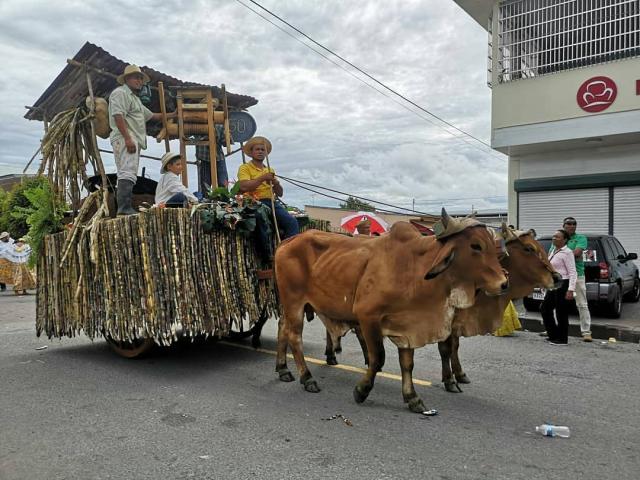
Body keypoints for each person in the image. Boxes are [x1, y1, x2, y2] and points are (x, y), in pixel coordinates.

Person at [109, 64, 175, 216]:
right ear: (127, 79)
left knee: (130, 172)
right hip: (125, 138)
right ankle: (123, 208)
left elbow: (152, 116)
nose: (139, 81)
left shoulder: (136, 100)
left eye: (140, 78)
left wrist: (172, 114)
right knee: (127, 172)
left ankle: (125, 207)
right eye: (136, 78)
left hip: (132, 139)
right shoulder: (120, 93)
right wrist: (127, 139)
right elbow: (118, 116)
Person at [237, 136, 299, 241]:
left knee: (292, 222)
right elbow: (244, 186)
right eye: (257, 149)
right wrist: (262, 178)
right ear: (251, 153)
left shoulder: (270, 170)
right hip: (254, 203)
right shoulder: (244, 168)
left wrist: (276, 183)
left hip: (271, 202)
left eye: (263, 150)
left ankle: (288, 252)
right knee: (260, 221)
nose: (260, 152)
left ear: (266, 153)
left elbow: (280, 193)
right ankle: (266, 254)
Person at [541, 229, 577, 345]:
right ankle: (553, 335)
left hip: (563, 283)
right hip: (553, 283)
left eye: (557, 237)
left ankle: (562, 339)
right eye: (553, 236)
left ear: (565, 240)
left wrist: (571, 289)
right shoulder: (554, 250)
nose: (554, 238)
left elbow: (572, 272)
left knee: (561, 312)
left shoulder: (567, 252)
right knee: (545, 308)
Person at [562, 216, 592, 342]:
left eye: (574, 224)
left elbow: (578, 253)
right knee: (557, 303)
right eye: (568, 223)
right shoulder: (559, 238)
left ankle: (586, 332)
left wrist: (562, 254)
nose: (571, 225)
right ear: (564, 225)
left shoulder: (580, 238)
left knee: (582, 304)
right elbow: (552, 255)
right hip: (562, 276)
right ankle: (552, 328)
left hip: (577, 275)